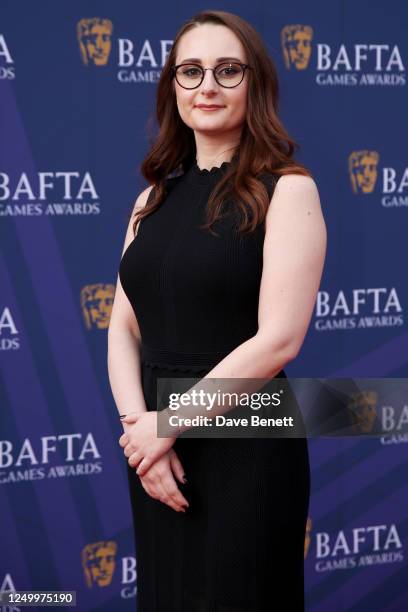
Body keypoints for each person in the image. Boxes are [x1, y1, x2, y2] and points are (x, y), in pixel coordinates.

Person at [107, 9, 327, 612]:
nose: (207, 86)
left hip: (247, 440)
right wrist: (140, 436)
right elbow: (123, 326)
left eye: (227, 70)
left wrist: (165, 425)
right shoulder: (151, 199)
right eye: (191, 71)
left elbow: (280, 339)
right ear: (172, 87)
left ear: (254, 83)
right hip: (157, 451)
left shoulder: (288, 189)